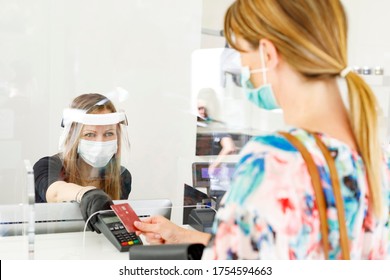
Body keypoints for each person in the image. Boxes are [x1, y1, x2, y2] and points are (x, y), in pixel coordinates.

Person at [134, 0, 390, 259]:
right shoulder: (374, 158)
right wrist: (189, 237)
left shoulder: (274, 160)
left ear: (268, 53)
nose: (244, 71)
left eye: (243, 55)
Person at [33, 93, 132, 232]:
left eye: (109, 134)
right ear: (74, 137)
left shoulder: (122, 177)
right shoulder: (47, 166)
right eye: (90, 134)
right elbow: (55, 193)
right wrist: (86, 194)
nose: (100, 142)